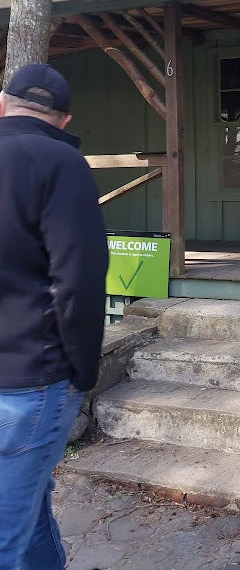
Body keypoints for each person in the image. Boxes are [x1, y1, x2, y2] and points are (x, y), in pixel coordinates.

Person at [0, 63, 108, 569]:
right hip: (32, 377)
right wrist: (85, 370)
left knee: (26, 514)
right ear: (64, 121)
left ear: (3, 104)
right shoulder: (62, 164)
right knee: (8, 533)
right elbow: (78, 281)